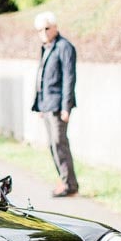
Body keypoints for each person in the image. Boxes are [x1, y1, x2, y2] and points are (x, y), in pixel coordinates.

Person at [31, 11, 79, 198]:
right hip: (47, 104)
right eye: (39, 30)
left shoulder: (64, 47)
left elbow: (69, 78)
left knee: (60, 143)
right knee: (52, 144)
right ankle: (64, 180)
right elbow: (42, 78)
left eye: (46, 28)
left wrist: (66, 107)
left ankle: (70, 185)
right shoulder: (46, 47)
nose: (43, 32)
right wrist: (40, 105)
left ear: (55, 27)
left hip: (59, 105)